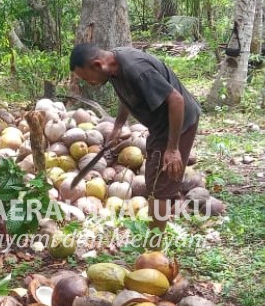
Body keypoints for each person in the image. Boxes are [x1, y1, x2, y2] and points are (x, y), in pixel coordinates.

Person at [69, 43, 201, 233]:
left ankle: (153, 248)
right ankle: (154, 238)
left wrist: (172, 149)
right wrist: (118, 126)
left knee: (160, 188)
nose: (88, 83)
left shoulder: (135, 70)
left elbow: (176, 100)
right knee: (154, 183)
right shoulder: (113, 70)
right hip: (159, 126)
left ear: (97, 65)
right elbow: (127, 97)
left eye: (86, 77)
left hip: (177, 122)